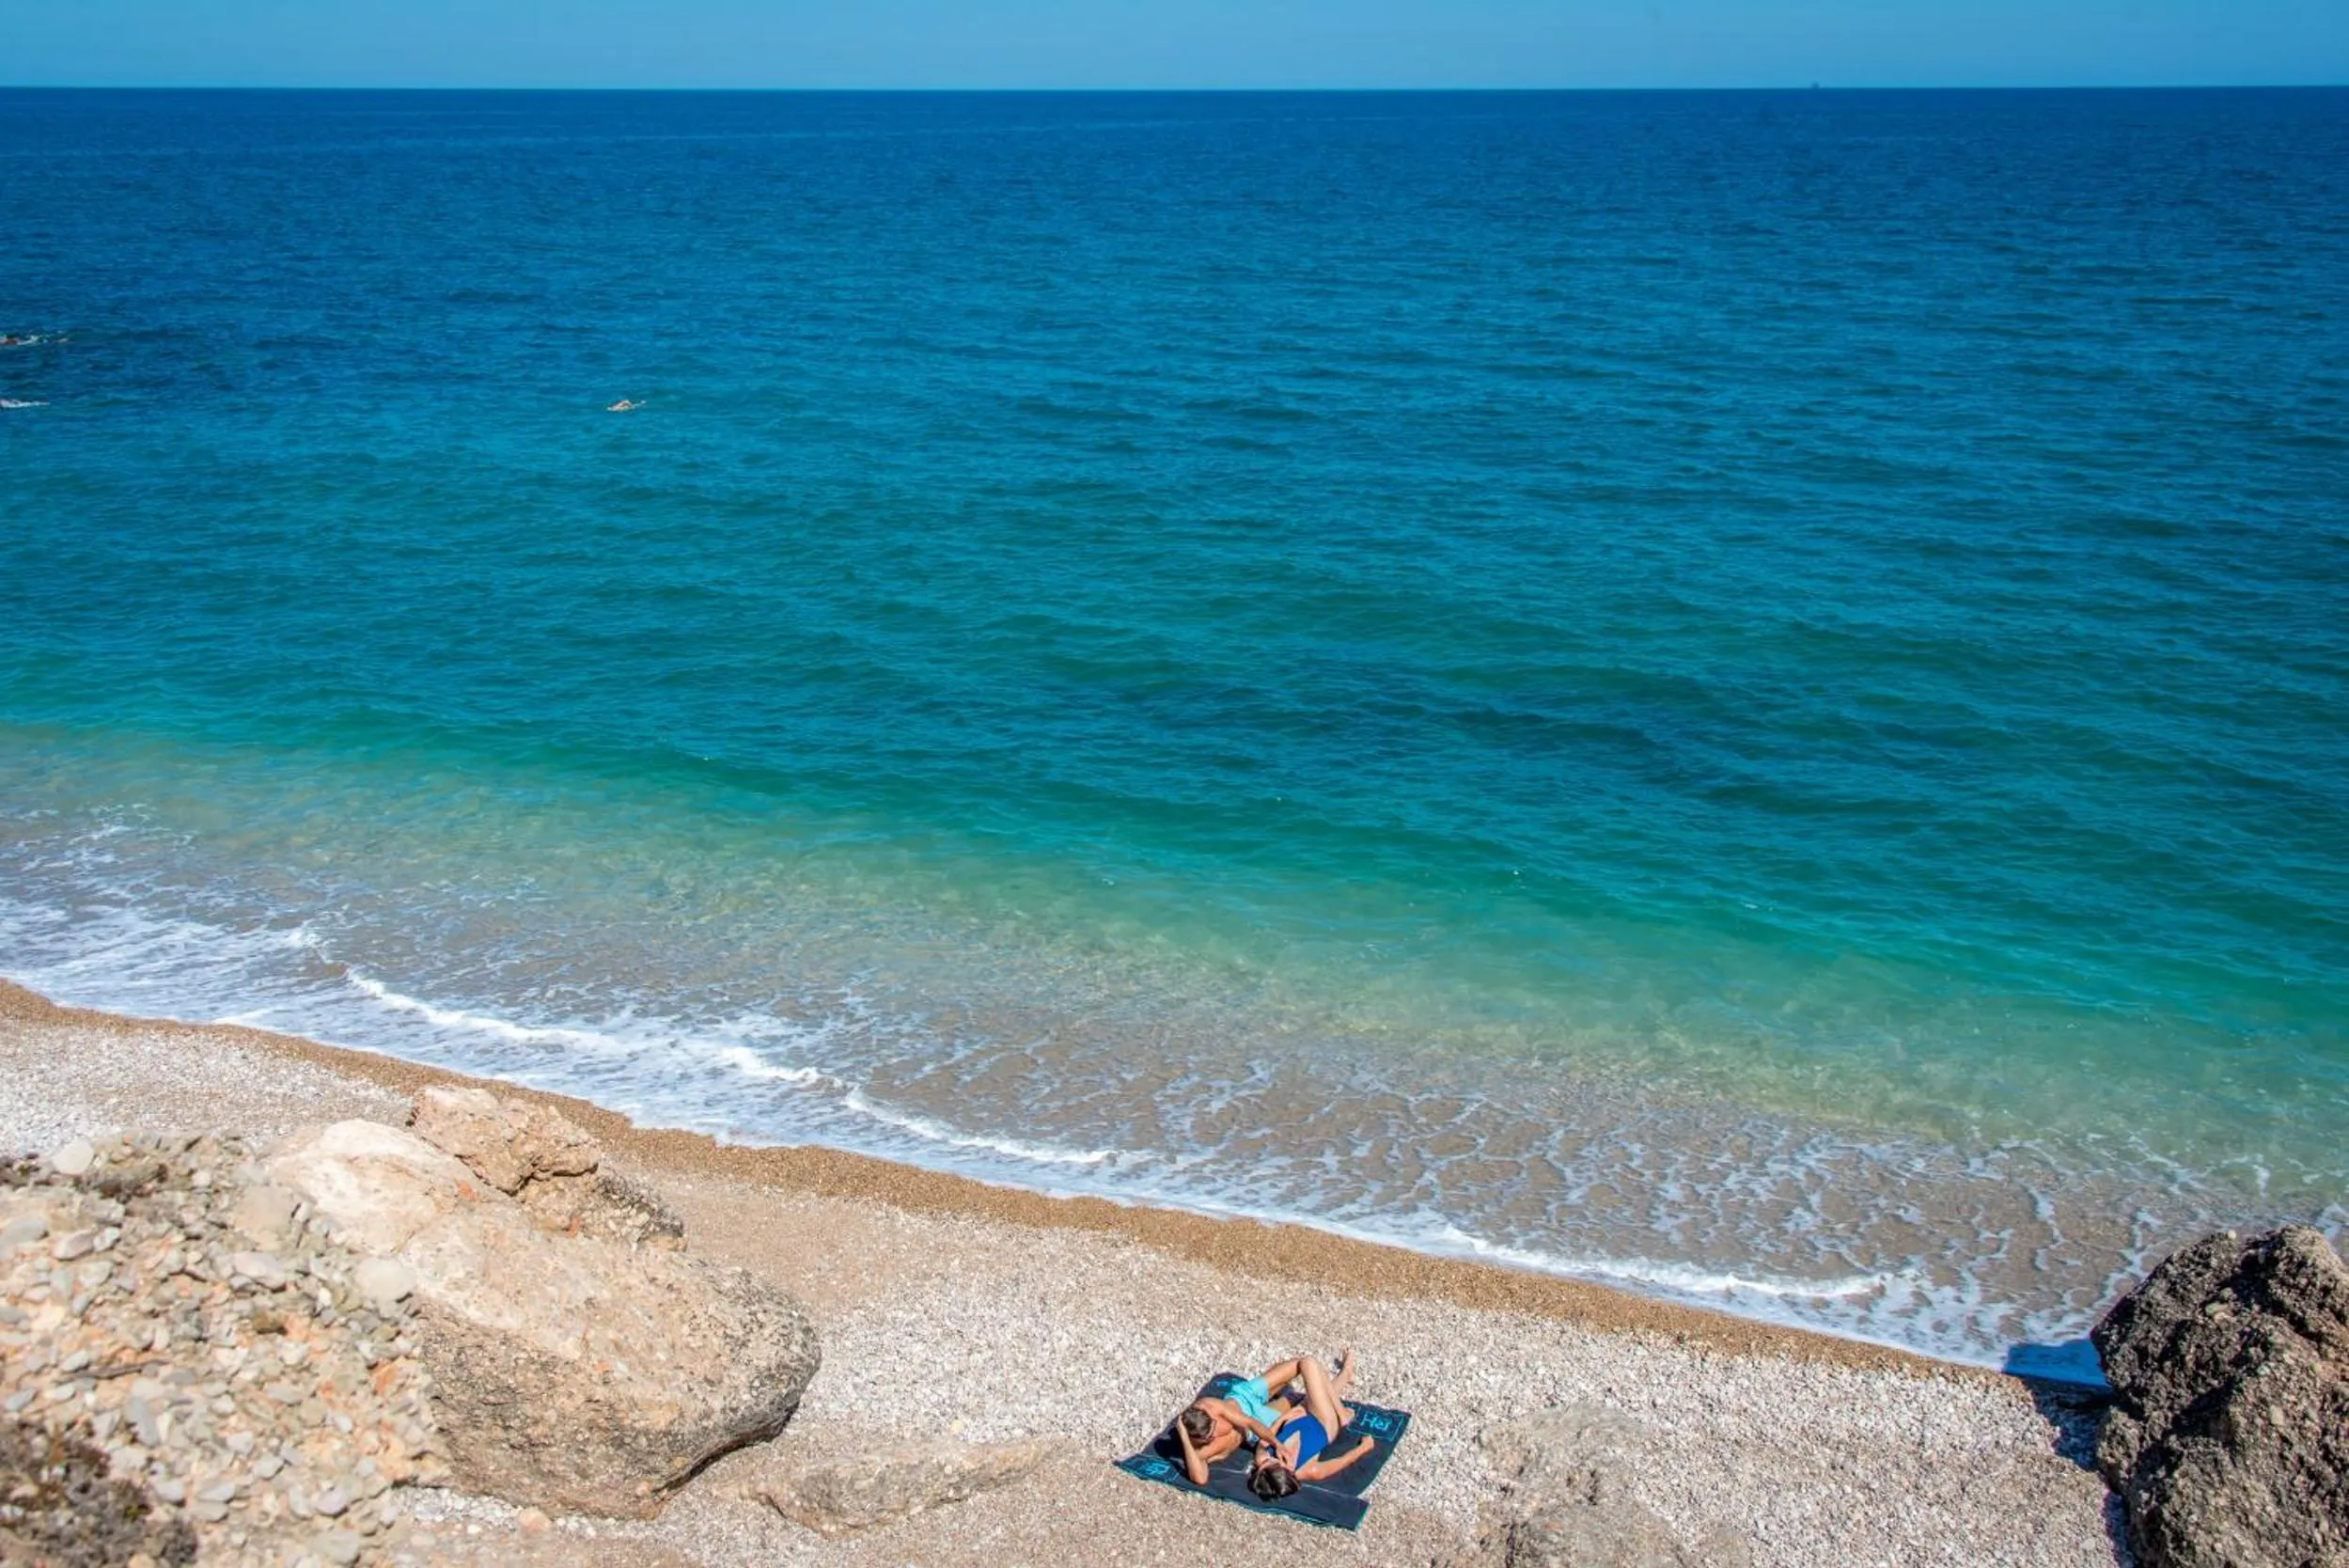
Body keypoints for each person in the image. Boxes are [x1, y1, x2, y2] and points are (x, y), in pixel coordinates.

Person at [1173, 1350, 1376, 1499]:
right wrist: (1364, 1447)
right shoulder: (1307, 1471)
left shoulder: (1261, 1454)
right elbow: (1344, 1460)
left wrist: (1285, 1420)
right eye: (1274, 1464)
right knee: (1308, 1373)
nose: (1272, 1460)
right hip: (1322, 1422)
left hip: (1274, 1412)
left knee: (1305, 1380)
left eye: (1265, 1464)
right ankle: (1341, 1413)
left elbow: (1253, 1426)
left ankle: (1343, 1381)